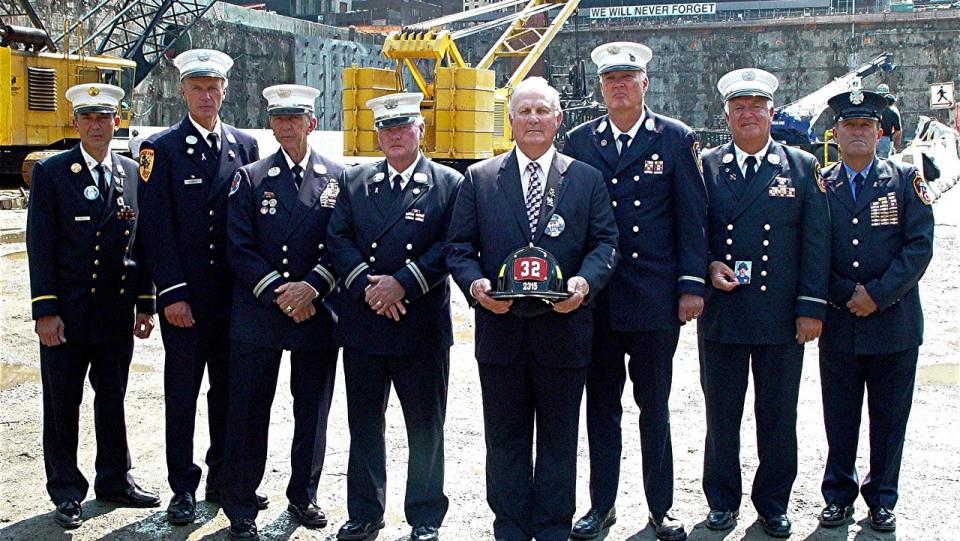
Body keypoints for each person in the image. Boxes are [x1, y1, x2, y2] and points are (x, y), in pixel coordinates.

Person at [445, 76, 619, 541]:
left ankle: (553, 528)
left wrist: (584, 283)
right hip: (500, 334)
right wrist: (476, 285)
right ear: (510, 120)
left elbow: (605, 244)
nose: (533, 119)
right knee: (504, 441)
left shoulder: (586, 179)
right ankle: (510, 528)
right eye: (524, 111)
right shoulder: (480, 179)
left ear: (558, 119)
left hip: (564, 331)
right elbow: (458, 248)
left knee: (560, 442)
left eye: (542, 111)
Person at [561, 41, 707, 541]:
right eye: (610, 80)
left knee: (654, 407)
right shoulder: (580, 141)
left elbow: (692, 218)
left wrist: (690, 286)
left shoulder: (675, 138)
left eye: (627, 78)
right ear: (601, 88)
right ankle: (600, 506)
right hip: (598, 300)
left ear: (645, 83)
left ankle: (661, 508)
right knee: (601, 407)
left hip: (653, 299)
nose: (619, 86)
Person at [698, 68, 830, 539]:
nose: (748, 114)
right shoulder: (708, 166)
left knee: (777, 414)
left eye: (756, 106)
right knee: (721, 415)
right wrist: (709, 265)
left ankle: (773, 502)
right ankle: (721, 501)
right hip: (724, 311)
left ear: (772, 113)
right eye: (739, 107)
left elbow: (816, 242)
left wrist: (811, 307)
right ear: (727, 115)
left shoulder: (800, 166)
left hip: (779, 313)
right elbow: (693, 231)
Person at [327, 92, 463, 541]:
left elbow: (451, 245)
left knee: (425, 427)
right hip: (365, 322)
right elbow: (338, 240)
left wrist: (402, 282)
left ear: (420, 129)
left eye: (404, 126)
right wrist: (370, 287)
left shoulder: (448, 183)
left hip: (420, 324)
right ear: (377, 135)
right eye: (387, 128)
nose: (395, 135)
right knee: (365, 423)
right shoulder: (354, 180)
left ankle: (425, 515)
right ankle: (366, 511)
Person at [137, 48, 263, 524]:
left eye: (213, 88)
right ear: (183, 92)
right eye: (197, 88)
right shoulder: (161, 149)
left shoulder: (244, 146)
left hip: (232, 300)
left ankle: (223, 476)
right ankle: (183, 486)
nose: (206, 96)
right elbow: (155, 228)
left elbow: (251, 224)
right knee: (182, 393)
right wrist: (171, 293)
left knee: (229, 393)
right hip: (185, 300)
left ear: (224, 92)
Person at [27, 83, 160, 529]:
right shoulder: (52, 173)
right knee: (63, 404)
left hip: (114, 313)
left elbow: (140, 246)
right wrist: (45, 311)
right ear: (75, 123)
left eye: (104, 117)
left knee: (113, 399)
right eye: (88, 117)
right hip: (66, 315)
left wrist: (145, 304)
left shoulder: (131, 173)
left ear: (117, 121)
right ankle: (66, 490)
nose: (96, 125)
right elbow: (40, 246)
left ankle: (115, 479)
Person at [220, 84, 344, 540]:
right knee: (249, 410)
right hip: (262, 311)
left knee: (312, 409)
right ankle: (240, 502)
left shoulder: (338, 177)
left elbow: (342, 243)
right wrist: (280, 292)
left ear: (311, 123)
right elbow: (238, 246)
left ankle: (303, 493)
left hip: (315, 309)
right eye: (278, 118)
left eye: (294, 118)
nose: (286, 126)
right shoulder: (251, 178)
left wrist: (311, 288)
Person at [816, 89, 934, 533]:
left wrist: (878, 295)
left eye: (866, 125)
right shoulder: (820, 184)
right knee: (839, 418)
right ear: (835, 133)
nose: (858, 133)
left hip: (894, 323)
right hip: (840, 320)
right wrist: (847, 293)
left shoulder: (904, 180)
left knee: (889, 419)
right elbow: (812, 250)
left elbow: (918, 246)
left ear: (879, 132)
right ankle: (838, 495)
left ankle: (883, 498)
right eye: (849, 125)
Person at [875, 84, 902, 158]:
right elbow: (898, 130)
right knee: (883, 162)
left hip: (873, 138)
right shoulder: (893, 111)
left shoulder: (874, 109)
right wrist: (891, 138)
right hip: (885, 140)